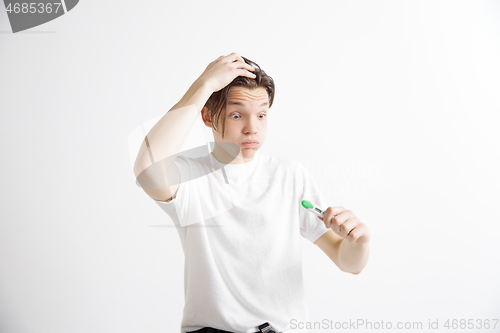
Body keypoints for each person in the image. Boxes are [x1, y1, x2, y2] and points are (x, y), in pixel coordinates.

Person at [133, 52, 371, 333]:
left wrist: (359, 242)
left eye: (261, 115)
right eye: (237, 115)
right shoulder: (189, 177)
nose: (252, 128)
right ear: (208, 116)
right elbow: (147, 167)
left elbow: (347, 262)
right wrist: (204, 85)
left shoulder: (289, 176)